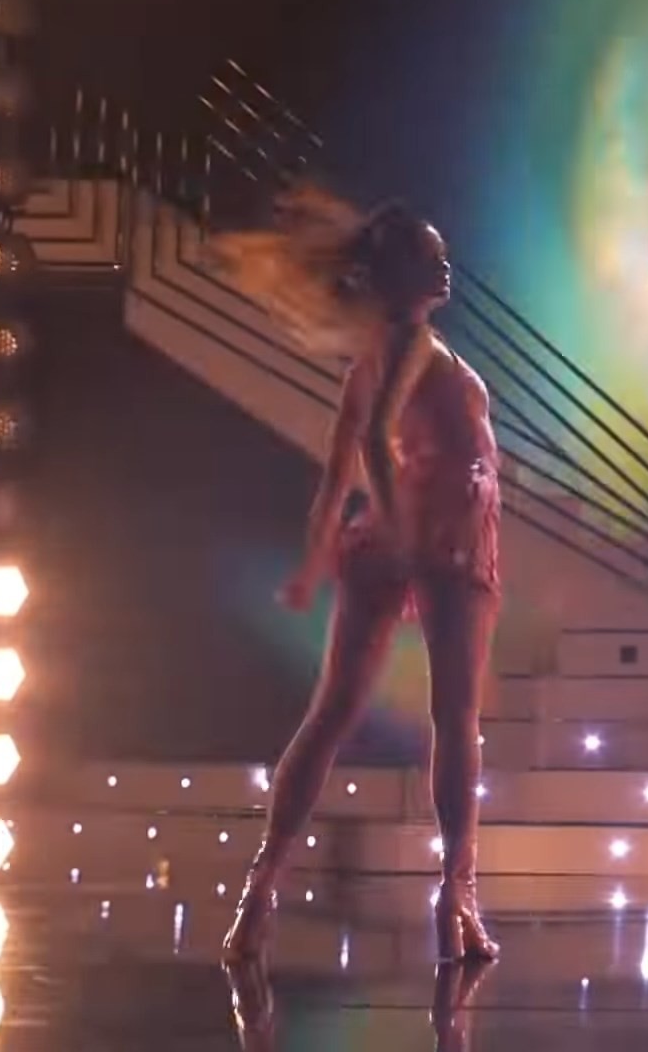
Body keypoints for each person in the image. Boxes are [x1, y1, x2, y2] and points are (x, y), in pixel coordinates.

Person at [213, 190, 502, 963]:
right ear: (401, 276)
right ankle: (458, 897)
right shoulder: (410, 342)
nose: (446, 265)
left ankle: (259, 892)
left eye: (443, 253)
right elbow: (372, 442)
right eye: (431, 256)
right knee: (455, 717)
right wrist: (406, 530)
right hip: (442, 536)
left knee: (333, 711)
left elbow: (335, 478)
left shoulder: (368, 362)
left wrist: (314, 567)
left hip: (395, 534)